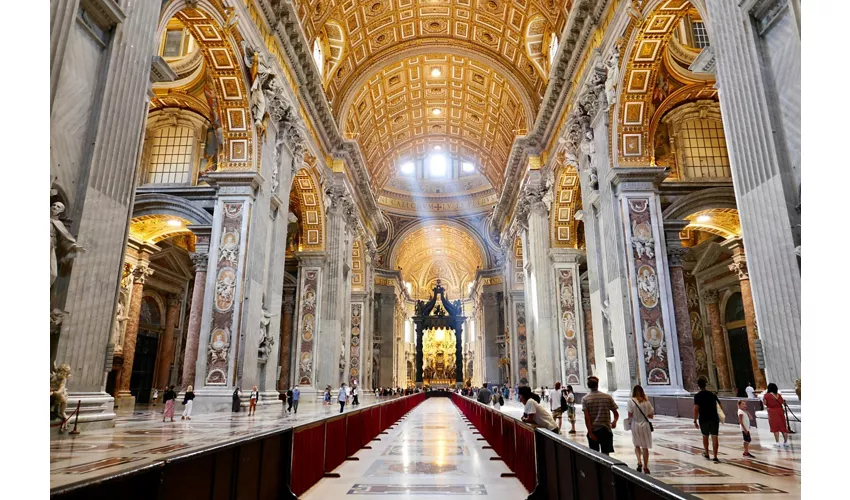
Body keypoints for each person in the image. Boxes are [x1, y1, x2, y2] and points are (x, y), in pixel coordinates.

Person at [582, 376, 619, 455]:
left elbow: (587, 418)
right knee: (606, 455)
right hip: (606, 430)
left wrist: (590, 433)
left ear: (588, 386)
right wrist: (614, 421)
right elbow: (616, 413)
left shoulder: (585, 399)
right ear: (597, 385)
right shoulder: (607, 397)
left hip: (593, 430)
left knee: (595, 455)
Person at [693, 377, 722, 462]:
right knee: (715, 437)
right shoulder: (713, 395)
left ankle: (707, 453)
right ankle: (715, 456)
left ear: (698, 386)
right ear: (706, 385)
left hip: (703, 419)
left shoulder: (697, 396)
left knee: (705, 436)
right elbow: (720, 406)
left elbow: (695, 409)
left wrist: (695, 420)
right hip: (714, 418)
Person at [628, 385, 655, 474]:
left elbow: (630, 415)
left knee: (637, 445)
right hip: (645, 425)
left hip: (635, 424)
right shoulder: (647, 402)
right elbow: (651, 416)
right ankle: (646, 466)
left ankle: (639, 461)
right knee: (645, 446)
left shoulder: (631, 401)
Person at [763, 383, 790, 448]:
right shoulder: (779, 395)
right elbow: (782, 402)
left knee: (775, 427)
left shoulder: (766, 395)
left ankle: (777, 442)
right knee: (783, 426)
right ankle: (786, 442)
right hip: (780, 411)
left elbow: (765, 403)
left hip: (772, 412)